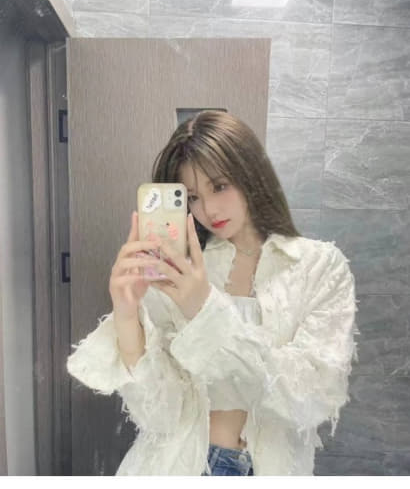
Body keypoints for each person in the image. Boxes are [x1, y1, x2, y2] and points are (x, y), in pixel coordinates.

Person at [66, 110, 360, 476]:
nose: (208, 209)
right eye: (191, 197)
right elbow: (160, 414)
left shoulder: (319, 267)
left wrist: (203, 309)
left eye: (219, 186)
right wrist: (127, 317)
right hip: (177, 467)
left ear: (250, 172)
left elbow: (311, 396)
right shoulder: (181, 272)